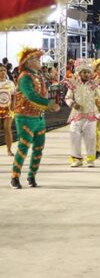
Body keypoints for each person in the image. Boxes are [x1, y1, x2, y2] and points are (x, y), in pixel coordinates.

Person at [10, 48, 60, 189]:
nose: (39, 61)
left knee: (39, 147)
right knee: (24, 146)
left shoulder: (38, 75)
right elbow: (30, 95)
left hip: (38, 117)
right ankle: (15, 176)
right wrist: (49, 104)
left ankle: (32, 175)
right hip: (25, 117)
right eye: (36, 59)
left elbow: (41, 95)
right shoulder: (25, 76)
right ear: (28, 62)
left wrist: (46, 106)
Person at [64, 59, 100, 168]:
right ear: (79, 73)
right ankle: (77, 159)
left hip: (91, 115)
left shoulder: (94, 85)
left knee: (90, 138)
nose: (86, 74)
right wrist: (72, 104)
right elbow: (67, 97)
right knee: (74, 136)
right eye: (84, 72)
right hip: (77, 115)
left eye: (88, 72)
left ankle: (90, 159)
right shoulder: (74, 84)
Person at [0, 65, 16, 156]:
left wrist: (13, 105)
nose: (2, 72)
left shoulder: (10, 83)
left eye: (4, 70)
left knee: (7, 128)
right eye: (0, 70)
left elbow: (14, 95)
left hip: (8, 109)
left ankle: (9, 150)